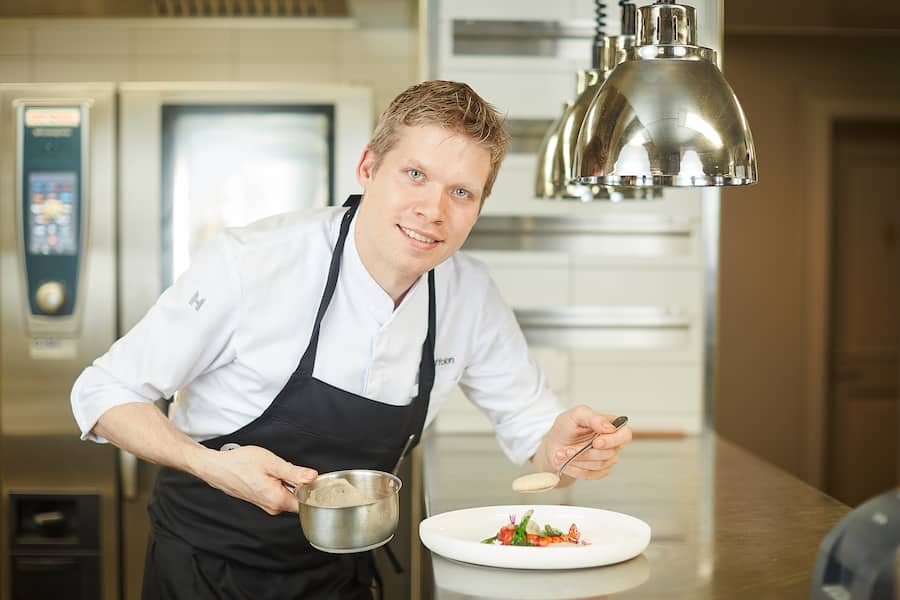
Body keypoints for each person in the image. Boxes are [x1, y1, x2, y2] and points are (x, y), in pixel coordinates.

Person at [70, 80, 633, 599]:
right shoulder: (254, 263)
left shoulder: (469, 295)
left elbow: (535, 433)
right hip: (205, 570)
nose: (432, 211)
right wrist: (214, 466)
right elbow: (103, 394)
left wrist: (563, 447)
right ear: (368, 168)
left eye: (461, 192)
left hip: (338, 576)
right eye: (414, 175)